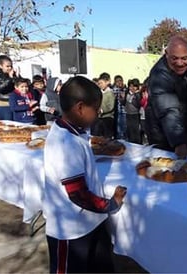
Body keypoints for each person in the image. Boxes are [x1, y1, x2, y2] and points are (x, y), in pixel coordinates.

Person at [43, 76, 127, 273]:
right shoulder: (65, 143)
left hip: (92, 223)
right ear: (80, 108)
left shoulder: (76, 132)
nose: (98, 114)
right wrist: (111, 204)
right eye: (96, 109)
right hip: (71, 230)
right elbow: (78, 194)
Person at [145, 36, 187, 158]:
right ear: (166, 54)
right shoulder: (159, 74)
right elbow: (168, 109)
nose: (180, 63)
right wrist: (179, 142)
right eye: (174, 58)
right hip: (161, 132)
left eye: (184, 58)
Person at [0, 55, 17, 120]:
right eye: (7, 66)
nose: (9, 68)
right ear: (0, 66)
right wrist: (10, 78)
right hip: (3, 104)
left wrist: (17, 76)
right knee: (7, 125)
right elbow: (0, 88)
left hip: (14, 102)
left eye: (11, 66)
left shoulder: (13, 74)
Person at [91, 72, 115, 138]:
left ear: (107, 82)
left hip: (108, 118)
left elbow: (111, 107)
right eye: (99, 83)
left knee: (107, 136)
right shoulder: (99, 92)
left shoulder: (110, 93)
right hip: (99, 117)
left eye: (101, 83)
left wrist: (102, 110)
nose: (100, 85)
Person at [123, 78, 142, 144]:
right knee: (129, 130)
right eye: (130, 86)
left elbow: (138, 104)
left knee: (136, 130)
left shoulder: (138, 94)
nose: (132, 88)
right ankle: (131, 143)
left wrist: (134, 97)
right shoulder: (127, 93)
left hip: (135, 114)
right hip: (128, 113)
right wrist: (122, 99)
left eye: (134, 86)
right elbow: (124, 103)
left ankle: (137, 144)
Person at [113, 75, 127, 139]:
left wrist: (123, 89)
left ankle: (124, 139)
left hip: (124, 111)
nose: (119, 82)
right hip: (117, 111)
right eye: (117, 81)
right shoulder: (114, 89)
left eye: (120, 81)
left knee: (124, 128)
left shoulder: (125, 89)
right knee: (118, 128)